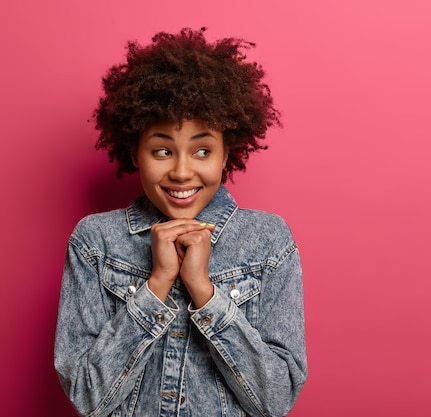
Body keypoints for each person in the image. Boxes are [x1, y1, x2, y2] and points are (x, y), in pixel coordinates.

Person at [54, 27, 307, 417]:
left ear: (227, 155)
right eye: (162, 151)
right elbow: (88, 398)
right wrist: (156, 286)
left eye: (203, 150)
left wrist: (203, 290)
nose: (182, 171)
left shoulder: (268, 240)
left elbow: (274, 401)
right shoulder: (95, 242)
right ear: (135, 152)